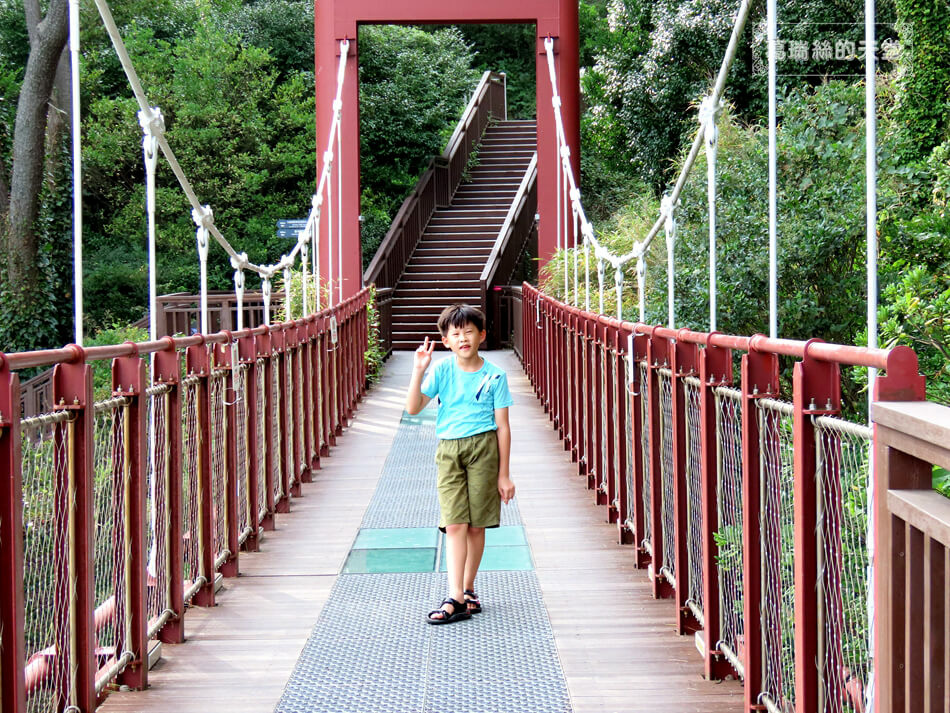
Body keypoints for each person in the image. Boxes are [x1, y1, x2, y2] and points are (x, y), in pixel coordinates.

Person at [404, 304, 515, 624]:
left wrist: (504, 475)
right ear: (446, 341)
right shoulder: (441, 371)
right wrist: (418, 369)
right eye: (455, 334)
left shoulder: (495, 375)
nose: (463, 338)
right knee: (455, 523)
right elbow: (413, 408)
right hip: (449, 451)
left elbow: (503, 426)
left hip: (484, 449)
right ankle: (454, 595)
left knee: (477, 524)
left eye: (469, 331)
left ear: (481, 335)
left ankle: (467, 589)